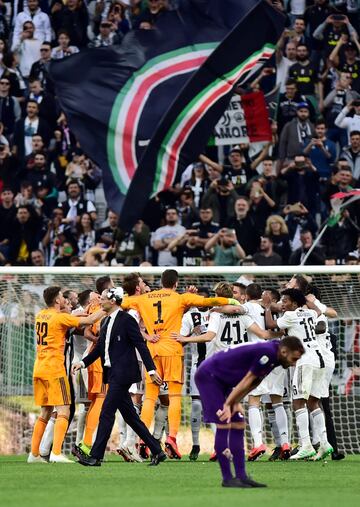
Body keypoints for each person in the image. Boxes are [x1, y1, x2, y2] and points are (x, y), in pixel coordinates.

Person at [121, 269, 240, 460]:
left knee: (150, 398)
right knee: (175, 396)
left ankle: (142, 439)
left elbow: (121, 301)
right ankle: (172, 439)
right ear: (175, 283)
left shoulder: (143, 298)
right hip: (173, 349)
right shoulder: (179, 297)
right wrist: (231, 301)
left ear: (161, 281)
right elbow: (207, 301)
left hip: (152, 351)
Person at [72, 287, 166, 467]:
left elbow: (141, 345)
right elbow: (100, 348)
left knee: (106, 412)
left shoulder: (127, 320)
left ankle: (95, 456)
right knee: (131, 417)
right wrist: (83, 363)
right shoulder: (106, 320)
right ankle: (157, 450)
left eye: (104, 298)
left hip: (122, 375)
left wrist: (152, 371)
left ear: (113, 301)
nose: (100, 301)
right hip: (113, 374)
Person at [195, 337, 304, 488]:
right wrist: (228, 404)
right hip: (209, 377)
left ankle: (241, 476)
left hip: (223, 381)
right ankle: (227, 478)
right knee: (224, 422)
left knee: (238, 422)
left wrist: (236, 401)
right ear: (285, 351)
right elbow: (248, 379)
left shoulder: (276, 355)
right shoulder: (268, 353)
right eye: (294, 359)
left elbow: (255, 382)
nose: (294, 363)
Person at [27, 286, 104, 464]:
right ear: (57, 301)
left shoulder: (41, 315)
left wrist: (84, 312)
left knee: (45, 411)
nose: (64, 299)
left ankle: (34, 454)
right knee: (64, 409)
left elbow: (75, 317)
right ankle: (55, 452)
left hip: (39, 367)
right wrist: (106, 307)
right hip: (54, 369)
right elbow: (90, 320)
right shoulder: (60, 318)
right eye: (62, 297)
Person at [266, 288, 334, 461]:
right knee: (313, 402)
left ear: (295, 303)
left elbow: (271, 325)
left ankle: (306, 445)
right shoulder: (311, 312)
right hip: (319, 360)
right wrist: (304, 300)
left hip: (305, 361)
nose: (283, 304)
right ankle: (325, 443)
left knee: (297, 402)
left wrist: (267, 308)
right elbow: (318, 310)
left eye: (286, 301)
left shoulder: (290, 316)